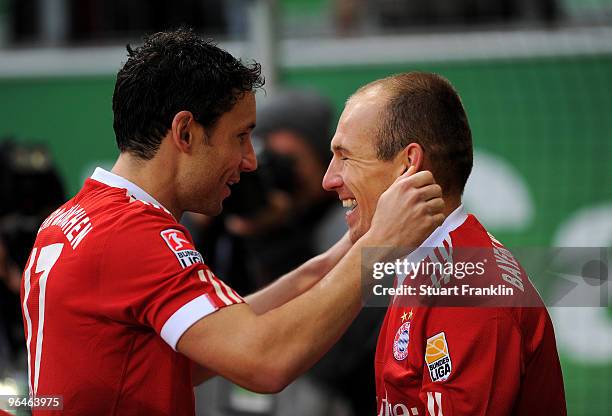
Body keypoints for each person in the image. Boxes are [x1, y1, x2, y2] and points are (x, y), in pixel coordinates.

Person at [19, 29, 445, 415]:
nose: (250, 161)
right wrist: (383, 244)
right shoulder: (134, 235)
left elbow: (198, 354)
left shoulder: (78, 216)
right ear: (184, 133)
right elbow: (265, 363)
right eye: (240, 136)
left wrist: (341, 253)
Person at [322, 72, 566, 415]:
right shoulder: (427, 263)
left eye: (345, 157)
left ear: (408, 164)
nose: (329, 179)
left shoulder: (469, 292)